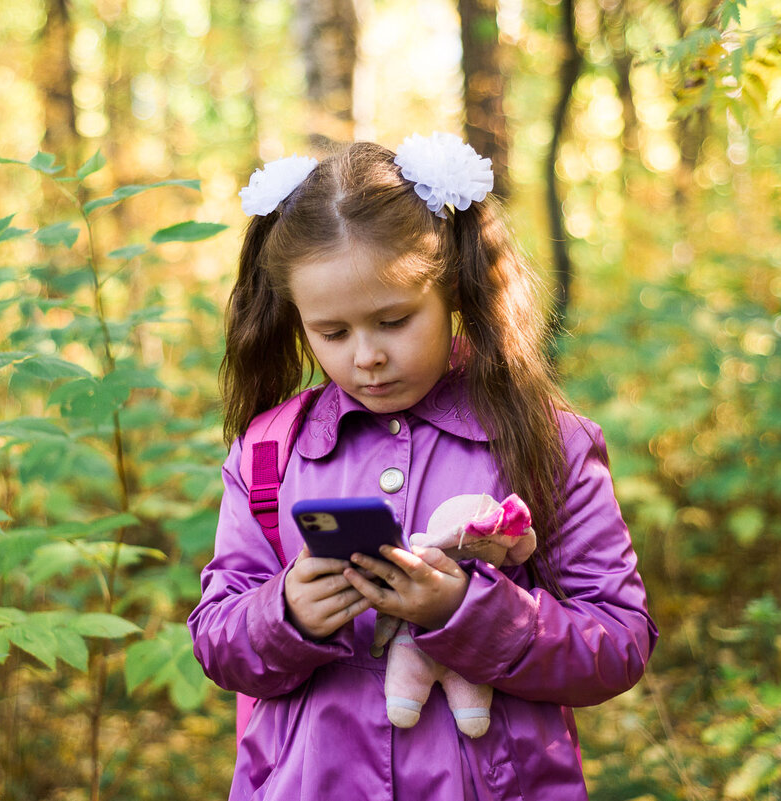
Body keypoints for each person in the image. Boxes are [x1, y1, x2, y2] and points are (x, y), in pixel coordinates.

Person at [188, 133, 657, 800]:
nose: (367, 356)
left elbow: (619, 641)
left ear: (454, 293)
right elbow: (216, 636)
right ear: (298, 320)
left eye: (394, 319)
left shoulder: (548, 442)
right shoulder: (269, 452)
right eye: (334, 332)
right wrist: (285, 611)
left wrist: (467, 612)